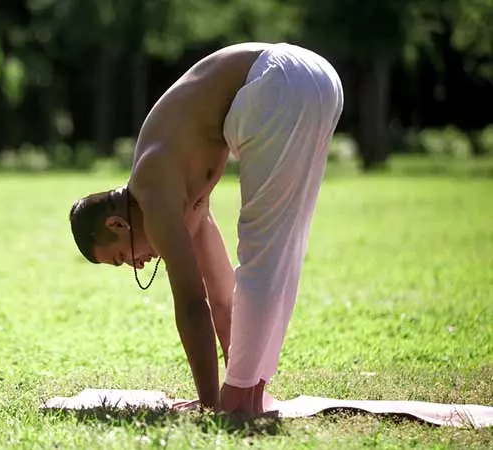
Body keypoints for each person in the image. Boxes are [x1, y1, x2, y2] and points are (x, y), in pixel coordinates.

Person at [69, 42, 343, 417]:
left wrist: (212, 406)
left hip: (279, 80)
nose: (137, 263)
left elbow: (192, 305)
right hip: (317, 77)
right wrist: (226, 385)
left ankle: (239, 397)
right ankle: (249, 392)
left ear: (116, 223)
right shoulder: (179, 193)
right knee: (281, 249)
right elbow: (221, 298)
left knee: (266, 247)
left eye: (121, 257)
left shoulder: (152, 189)